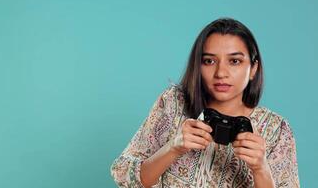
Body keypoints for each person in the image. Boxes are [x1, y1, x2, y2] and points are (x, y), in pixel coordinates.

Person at [110, 18, 299, 188]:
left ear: (253, 69)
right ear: (197, 65)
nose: (221, 73)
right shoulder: (173, 103)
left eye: (234, 61)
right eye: (209, 61)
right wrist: (173, 147)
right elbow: (123, 175)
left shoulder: (276, 130)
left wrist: (261, 169)